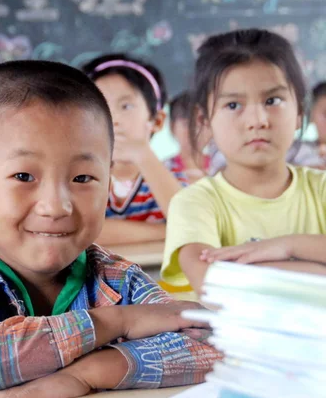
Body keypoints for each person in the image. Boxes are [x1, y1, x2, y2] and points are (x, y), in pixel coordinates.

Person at [0, 60, 220, 398]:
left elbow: (210, 343)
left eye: (82, 179)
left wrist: (88, 374)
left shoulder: (117, 278)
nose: (55, 205)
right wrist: (119, 321)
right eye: (23, 177)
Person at [161, 29, 326, 294]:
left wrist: (286, 246)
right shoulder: (195, 203)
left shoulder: (321, 188)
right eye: (233, 105)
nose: (257, 120)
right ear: (204, 121)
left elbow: (233, 280)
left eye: (273, 100)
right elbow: (214, 286)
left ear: (299, 113)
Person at [82, 54, 187, 245]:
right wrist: (167, 232)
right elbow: (82, 230)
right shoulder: (78, 178)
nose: (113, 118)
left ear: (156, 121)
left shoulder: (172, 178)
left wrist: (143, 155)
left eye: (126, 106)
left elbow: (191, 224)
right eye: (99, 106)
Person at [165, 91, 210, 182]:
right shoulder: (162, 170)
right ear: (172, 127)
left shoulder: (224, 168)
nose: (195, 131)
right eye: (186, 124)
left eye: (201, 124)